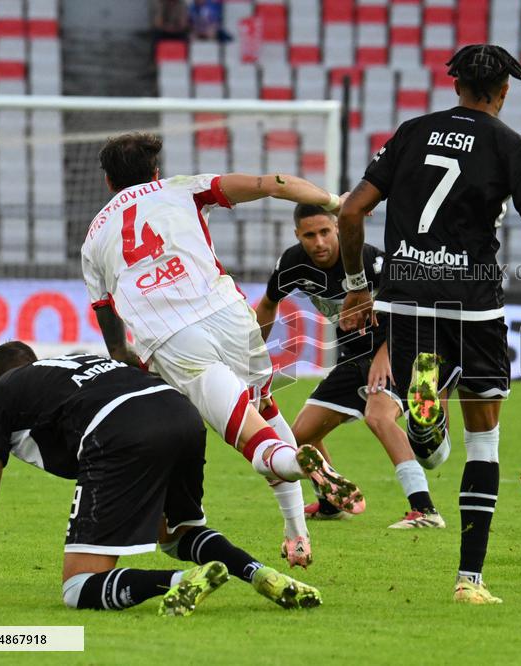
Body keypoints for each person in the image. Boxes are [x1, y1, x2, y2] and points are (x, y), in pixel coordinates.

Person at [337, 44, 521, 604]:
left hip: (404, 299)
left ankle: (426, 408)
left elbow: (350, 211)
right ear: (504, 91)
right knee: (484, 442)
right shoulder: (512, 147)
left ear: (454, 84)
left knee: (430, 439)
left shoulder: (409, 132)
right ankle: (469, 581)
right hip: (473, 307)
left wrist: (359, 286)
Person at [80, 132, 364, 569]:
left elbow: (108, 320)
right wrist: (333, 201)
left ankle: (298, 463)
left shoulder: (94, 236)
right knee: (264, 411)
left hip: (172, 336)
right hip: (229, 314)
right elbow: (274, 183)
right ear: (154, 172)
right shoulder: (184, 187)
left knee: (253, 442)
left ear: (107, 182)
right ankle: (297, 534)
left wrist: (126, 356)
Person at [0, 342, 321, 613]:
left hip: (120, 430)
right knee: (176, 533)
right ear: (35, 361)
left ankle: (181, 581)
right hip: (180, 414)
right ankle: (260, 574)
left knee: (77, 588)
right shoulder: (72, 364)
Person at [255, 204, 446, 528]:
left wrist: (385, 356)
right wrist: (254, 360)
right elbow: (268, 304)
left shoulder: (369, 261)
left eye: (325, 232)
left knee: (378, 416)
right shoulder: (292, 264)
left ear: (338, 229)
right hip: (355, 358)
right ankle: (331, 501)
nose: (319, 242)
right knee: (301, 434)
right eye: (310, 235)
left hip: (403, 349)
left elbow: (411, 307)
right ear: (297, 235)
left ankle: (425, 510)